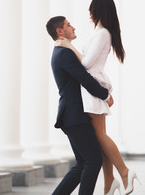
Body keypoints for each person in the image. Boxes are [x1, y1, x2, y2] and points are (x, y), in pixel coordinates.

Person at [55, 0, 140, 195]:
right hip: (91, 89)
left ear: (98, 10)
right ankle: (109, 181)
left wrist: (70, 47)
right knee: (99, 138)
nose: (89, 13)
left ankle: (125, 173)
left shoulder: (102, 34)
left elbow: (85, 65)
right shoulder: (102, 33)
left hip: (92, 89)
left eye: (91, 9)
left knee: (100, 136)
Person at [46, 16, 114, 195]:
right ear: (60, 31)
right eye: (69, 25)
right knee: (93, 160)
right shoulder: (64, 53)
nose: (73, 27)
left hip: (72, 115)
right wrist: (106, 95)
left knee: (84, 163)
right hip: (73, 115)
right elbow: (84, 78)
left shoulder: (62, 52)